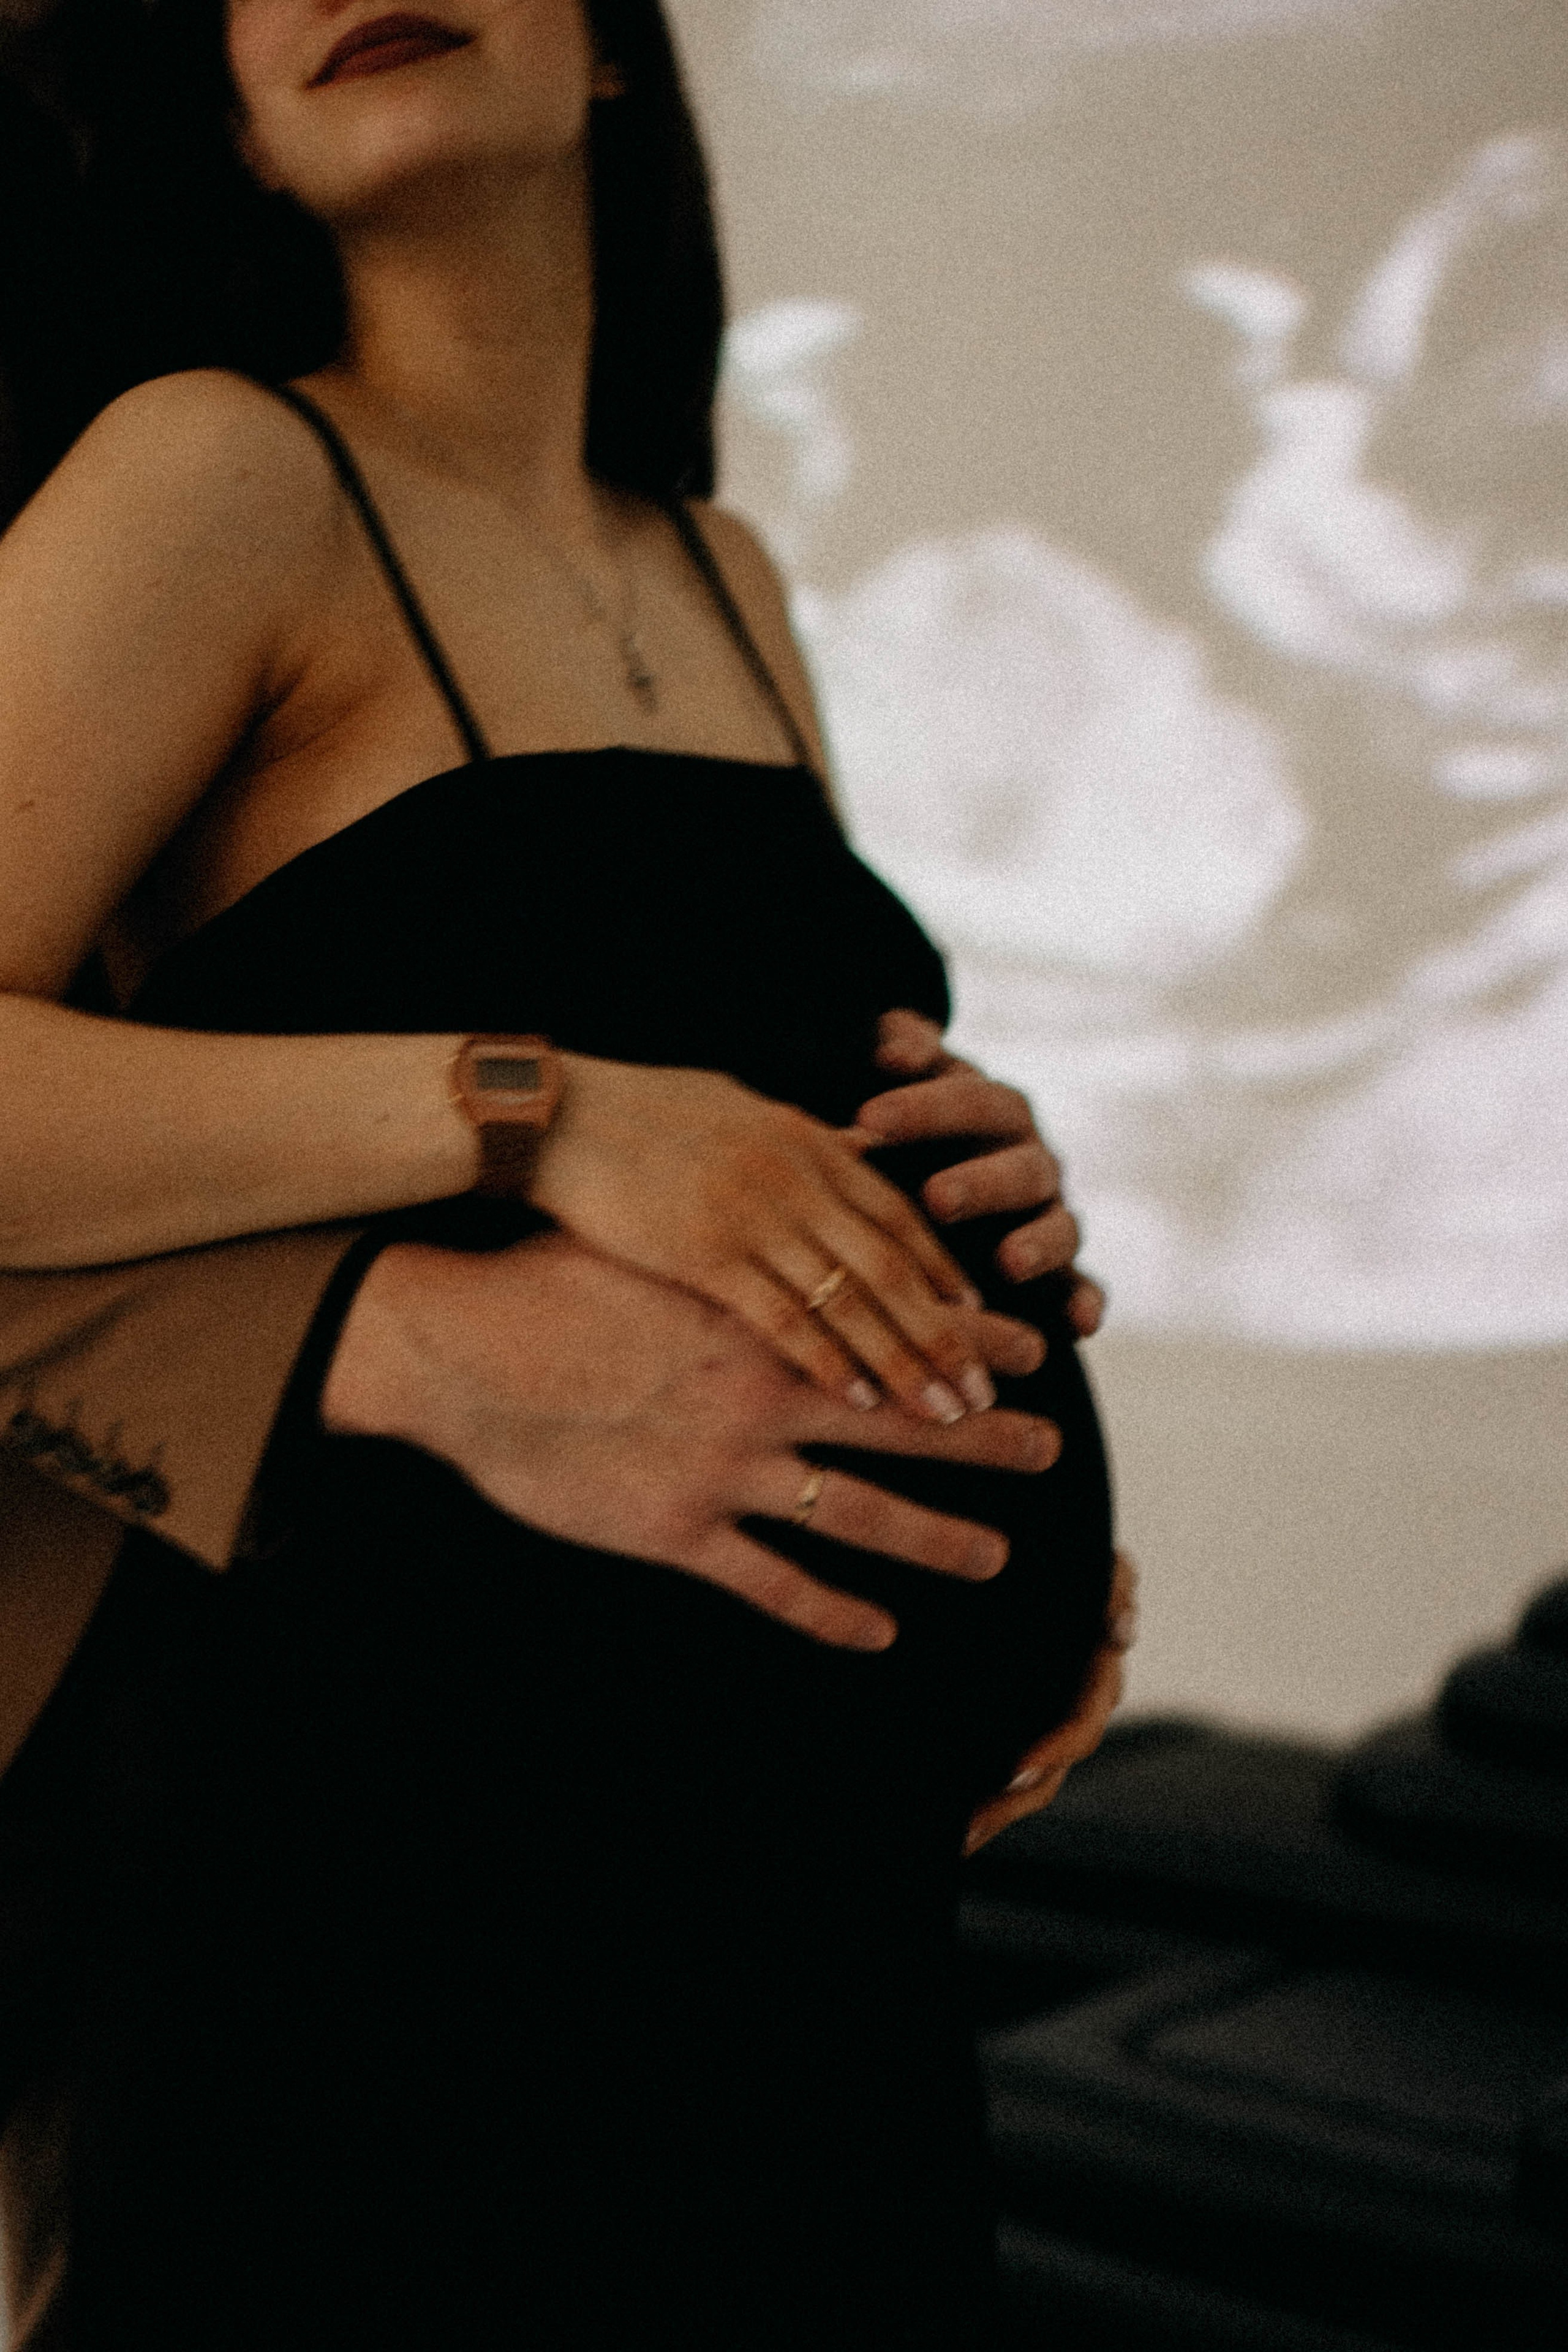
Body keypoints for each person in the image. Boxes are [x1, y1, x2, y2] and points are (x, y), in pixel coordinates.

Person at [0, 1, 1126, 2342]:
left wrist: (963, 1307)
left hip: (812, 1935)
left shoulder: (727, 568)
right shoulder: (222, 476)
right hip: (385, 1910)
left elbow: (760, 1103)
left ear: (611, 45)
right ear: (212, 104)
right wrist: (553, 1111)